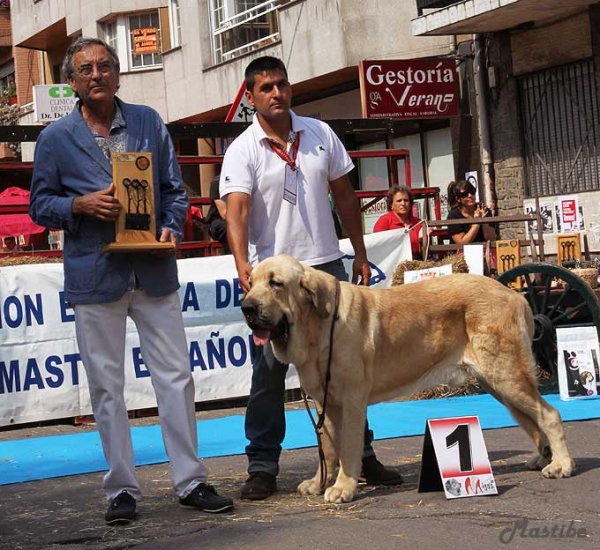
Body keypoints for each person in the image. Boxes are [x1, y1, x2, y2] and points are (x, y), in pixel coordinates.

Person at [29, 37, 233, 526]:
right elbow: (40, 206)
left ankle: (191, 480)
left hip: (153, 268)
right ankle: (121, 488)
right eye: (85, 69)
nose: (96, 74)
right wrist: (79, 205)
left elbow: (174, 193)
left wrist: (170, 223)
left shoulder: (148, 122)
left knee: (176, 377)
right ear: (71, 83)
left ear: (119, 73)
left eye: (105, 66)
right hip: (95, 272)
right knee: (106, 386)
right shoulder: (55, 139)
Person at [221, 55, 403, 500]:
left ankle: (360, 457)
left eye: (282, 84)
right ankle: (262, 465)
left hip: (326, 270)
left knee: (347, 367)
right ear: (250, 97)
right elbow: (237, 209)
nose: (276, 93)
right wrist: (241, 261)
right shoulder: (243, 148)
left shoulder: (320, 134)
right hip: (274, 278)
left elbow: (345, 194)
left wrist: (359, 252)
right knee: (268, 372)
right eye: (265, 88)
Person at [373, 185, 425, 259]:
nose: (403, 204)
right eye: (399, 201)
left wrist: (422, 240)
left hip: (416, 263)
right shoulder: (384, 221)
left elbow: (423, 254)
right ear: (391, 204)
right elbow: (379, 248)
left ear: (410, 204)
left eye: (406, 200)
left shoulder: (418, 223)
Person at [446, 180, 496, 244]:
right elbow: (462, 243)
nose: (470, 195)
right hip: (462, 253)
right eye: (465, 194)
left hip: (483, 250)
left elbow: (492, 239)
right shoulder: (454, 216)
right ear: (458, 199)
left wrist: (484, 221)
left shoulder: (483, 209)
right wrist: (477, 222)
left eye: (472, 192)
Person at [205, 174, 230, 253]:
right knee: (233, 230)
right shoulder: (218, 182)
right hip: (219, 220)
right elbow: (225, 213)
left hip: (243, 218)